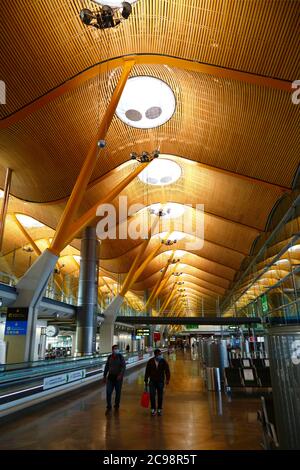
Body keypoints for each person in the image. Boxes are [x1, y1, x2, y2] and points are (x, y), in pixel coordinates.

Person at [144, 348, 170, 416]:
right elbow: (147, 372)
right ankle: (153, 408)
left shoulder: (163, 361)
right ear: (155, 355)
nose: (160, 355)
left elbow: (167, 370)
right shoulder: (150, 361)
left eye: (160, 354)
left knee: (160, 396)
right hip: (152, 381)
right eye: (159, 354)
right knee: (152, 395)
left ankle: (159, 409)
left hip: (160, 381)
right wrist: (146, 380)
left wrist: (167, 379)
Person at [104, 344, 126, 412]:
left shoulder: (120, 357)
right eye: (114, 349)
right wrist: (104, 376)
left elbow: (123, 367)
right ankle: (109, 405)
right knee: (108, 391)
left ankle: (116, 404)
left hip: (118, 378)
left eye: (117, 348)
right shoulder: (110, 357)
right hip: (110, 377)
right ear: (112, 350)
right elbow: (107, 366)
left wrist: (120, 375)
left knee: (118, 392)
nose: (116, 350)